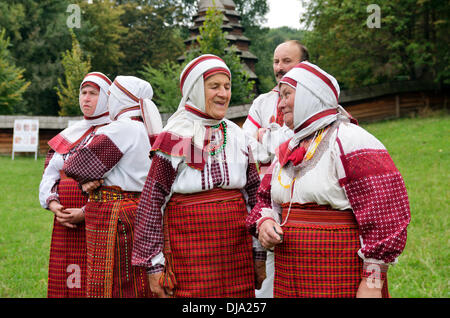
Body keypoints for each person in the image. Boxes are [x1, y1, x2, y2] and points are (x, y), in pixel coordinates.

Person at [246, 61, 411, 298]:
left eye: (286, 95)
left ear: (310, 95)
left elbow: (386, 214)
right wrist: (264, 223)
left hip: (339, 275)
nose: (280, 105)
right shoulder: (286, 149)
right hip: (290, 278)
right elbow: (263, 199)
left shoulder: (351, 141)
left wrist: (373, 282)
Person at [131, 54, 264, 298]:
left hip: (237, 253)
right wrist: (154, 265)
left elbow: (254, 196)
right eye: (214, 86)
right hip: (189, 253)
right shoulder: (174, 136)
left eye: (227, 86)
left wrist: (258, 253)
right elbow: (151, 204)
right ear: (194, 91)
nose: (223, 94)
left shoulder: (238, 136)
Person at [63, 76, 163, 298]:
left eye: (111, 96)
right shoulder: (143, 127)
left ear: (119, 98)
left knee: (114, 283)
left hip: (115, 216)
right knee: (133, 281)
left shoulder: (121, 128)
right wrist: (88, 180)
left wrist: (88, 178)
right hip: (137, 210)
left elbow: (76, 165)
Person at [242, 40, 309, 298]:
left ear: (304, 64)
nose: (279, 67)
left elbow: (300, 144)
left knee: (297, 254)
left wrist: (266, 136)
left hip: (300, 190)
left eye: (286, 61)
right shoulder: (261, 102)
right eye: (275, 61)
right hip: (265, 194)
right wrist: (276, 140)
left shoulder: (315, 99)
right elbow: (247, 147)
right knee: (266, 258)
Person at [39, 72, 112, 297]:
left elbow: (116, 181)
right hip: (64, 220)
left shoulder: (115, 133)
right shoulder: (69, 134)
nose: (86, 99)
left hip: (99, 218)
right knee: (67, 277)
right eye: (83, 93)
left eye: (93, 93)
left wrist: (85, 212)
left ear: (108, 98)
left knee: (96, 277)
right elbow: (50, 174)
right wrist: (53, 204)